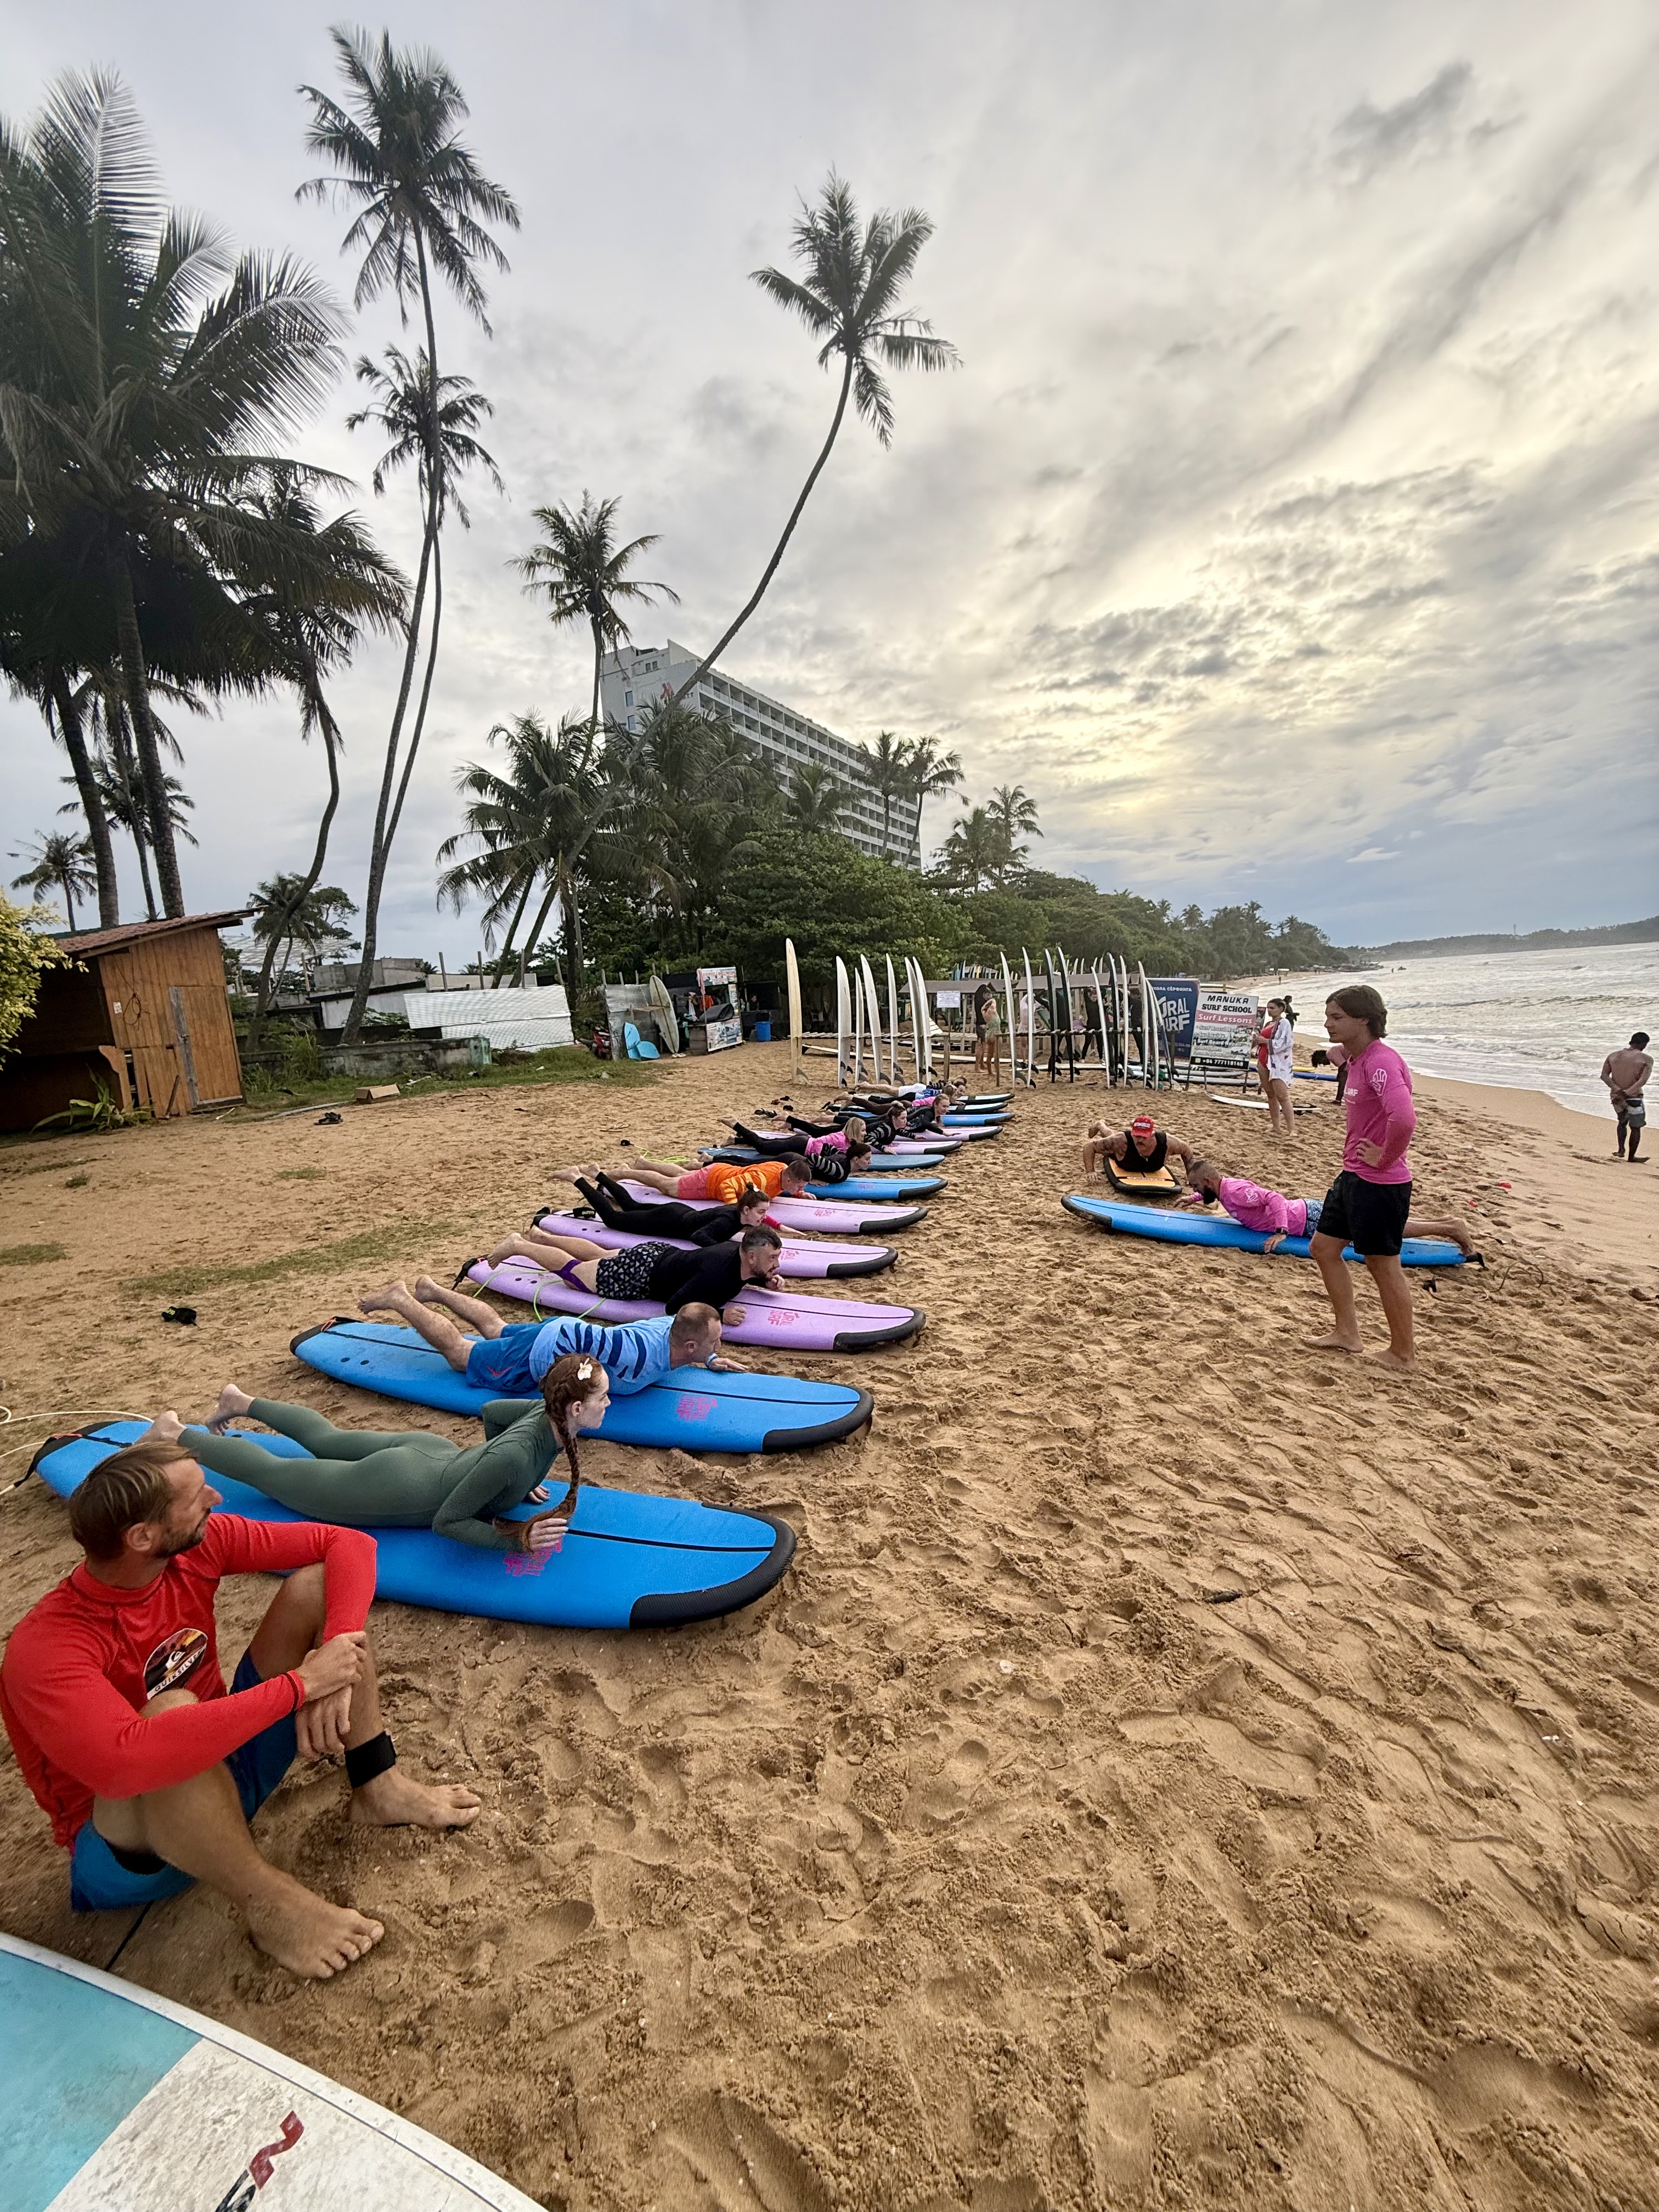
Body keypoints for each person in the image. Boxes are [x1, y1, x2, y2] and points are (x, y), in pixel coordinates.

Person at [0, 1426, 480, 1978]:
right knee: (170, 1715)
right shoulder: (49, 1645)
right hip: (130, 1852)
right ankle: (269, 1902)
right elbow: (126, 1761)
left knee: (320, 1588)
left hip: (231, 1769)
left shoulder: (195, 1547)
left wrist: (334, 1653)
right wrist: (302, 1685)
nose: (216, 1496)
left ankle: (379, 1786)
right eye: (196, 1496)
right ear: (143, 1537)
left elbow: (349, 1544)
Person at [185, 1352, 611, 1551]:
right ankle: (177, 1435)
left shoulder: (543, 1411)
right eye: (603, 1398)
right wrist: (518, 1538)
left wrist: (512, 1481)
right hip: (396, 1489)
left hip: (428, 1453)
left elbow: (493, 1414)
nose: (608, 1404)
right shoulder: (514, 1459)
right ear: (576, 1409)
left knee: (328, 1438)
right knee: (275, 1476)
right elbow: (447, 1522)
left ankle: (241, 1401)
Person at [1306, 985, 1418, 1370]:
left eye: (1337, 1017)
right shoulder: (1356, 1057)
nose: (1328, 1024)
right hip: (1353, 1175)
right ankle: (1347, 1333)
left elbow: (1404, 1118)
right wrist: (1339, 1053)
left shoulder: (1381, 1062)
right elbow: (1337, 1054)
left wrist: (1386, 1158)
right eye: (1328, 1016)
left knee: (1383, 1265)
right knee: (1323, 1248)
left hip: (1381, 1183)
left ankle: (1403, 1353)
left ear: (1364, 1019)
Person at [357, 1286, 732, 1394]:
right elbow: (587, 1340)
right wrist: (551, 1377)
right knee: (460, 1354)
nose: (718, 1346)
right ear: (689, 1347)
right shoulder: (636, 1354)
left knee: (497, 1328)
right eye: (714, 1343)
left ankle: (432, 1290)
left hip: (557, 1331)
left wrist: (711, 1359)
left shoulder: (674, 1327)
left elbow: (688, 1328)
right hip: (544, 1352)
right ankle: (401, 1299)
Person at [1178, 1159, 1475, 1255]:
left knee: (1376, 1231)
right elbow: (1214, 1196)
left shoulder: (1237, 1192)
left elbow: (1275, 1198)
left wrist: (1281, 1232)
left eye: (1196, 1187)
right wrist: (1191, 1200)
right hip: (1307, 1217)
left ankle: (1451, 1228)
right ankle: (1445, 1223)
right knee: (1376, 1224)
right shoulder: (1223, 1189)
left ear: (1208, 1181)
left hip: (1308, 1219)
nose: (1195, 1191)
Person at [546, 1167, 781, 1245]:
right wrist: (726, 1249)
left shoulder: (737, 1211)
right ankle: (576, 1177)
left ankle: (598, 1174)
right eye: (761, 1212)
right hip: (667, 1221)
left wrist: (777, 1227)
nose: (764, 1217)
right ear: (747, 1210)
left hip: (677, 1212)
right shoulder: (729, 1220)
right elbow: (699, 1236)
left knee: (630, 1205)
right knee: (612, 1218)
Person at [621, 1154, 815, 1205]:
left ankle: (643, 1163)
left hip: (720, 1170)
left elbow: (791, 1182)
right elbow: (727, 1186)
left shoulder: (783, 1169)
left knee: (681, 1174)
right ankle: (627, 1172)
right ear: (789, 1180)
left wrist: (800, 1194)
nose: (800, 1189)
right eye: (799, 1186)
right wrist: (734, 1209)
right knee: (667, 1186)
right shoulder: (761, 1180)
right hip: (711, 1182)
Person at [1081, 1111, 1196, 1180]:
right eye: (1137, 1136)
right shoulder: (1122, 1140)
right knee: (1112, 1136)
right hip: (1122, 1157)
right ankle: (1101, 1125)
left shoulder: (1167, 1142)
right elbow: (1089, 1147)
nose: (1140, 1140)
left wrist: (1190, 1174)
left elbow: (1187, 1150)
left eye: (1144, 1137)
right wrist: (1090, 1172)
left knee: (1114, 1136)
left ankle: (1102, 1125)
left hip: (1148, 1163)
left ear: (1152, 1134)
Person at [1601, 1032, 1651, 1163]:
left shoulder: (1613, 1056)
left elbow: (1604, 1076)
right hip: (1634, 1097)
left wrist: (1617, 1090)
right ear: (1644, 1044)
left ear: (1631, 1041)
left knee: (1622, 1122)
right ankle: (1631, 1157)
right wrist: (1628, 1092)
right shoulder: (1646, 1059)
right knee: (1636, 1126)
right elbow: (1642, 1081)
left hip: (1616, 1096)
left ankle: (1621, 1150)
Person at [1262, 995, 1297, 1138]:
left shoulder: (1285, 1023)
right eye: (1268, 1008)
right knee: (1271, 1095)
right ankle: (1276, 1126)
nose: (1269, 1011)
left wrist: (1266, 1041)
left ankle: (1292, 1129)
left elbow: (1286, 1043)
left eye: (1272, 1008)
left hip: (1278, 1063)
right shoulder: (1268, 1024)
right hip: (1263, 1060)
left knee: (1282, 1096)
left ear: (1281, 1009)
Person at [983, 994, 1005, 1083]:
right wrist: (990, 999)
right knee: (997, 1055)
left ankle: (990, 1072)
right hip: (996, 1033)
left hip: (989, 1034)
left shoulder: (984, 1012)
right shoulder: (993, 1009)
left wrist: (985, 1004)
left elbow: (984, 1007)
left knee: (989, 1054)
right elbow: (993, 1001)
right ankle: (998, 1073)